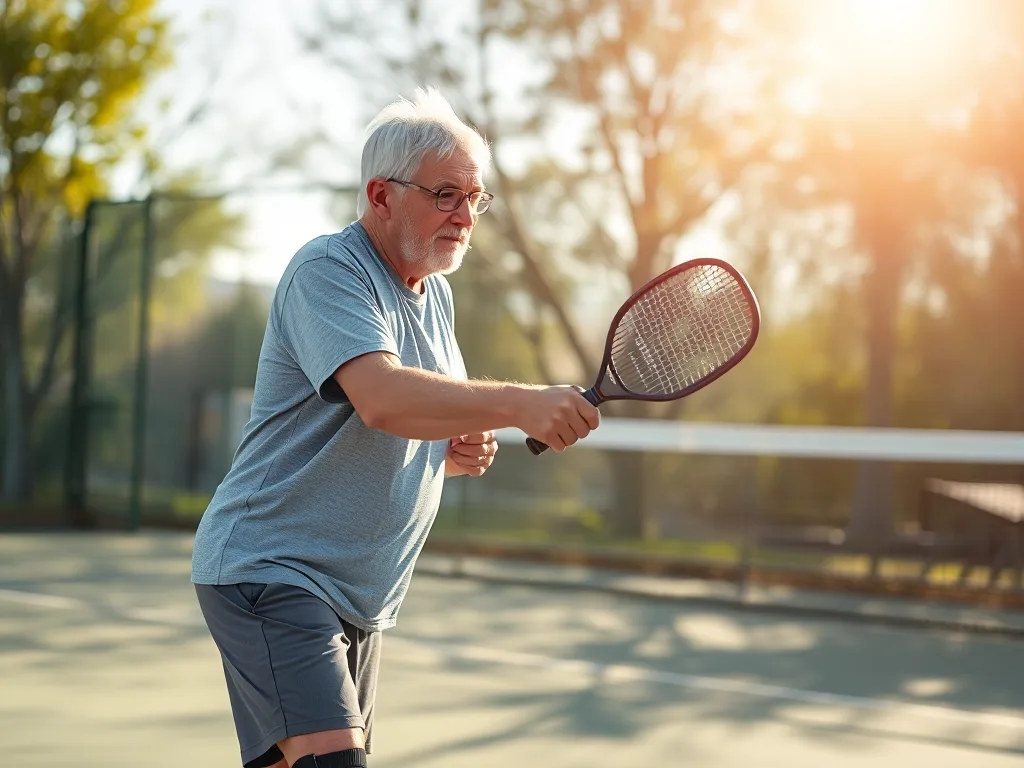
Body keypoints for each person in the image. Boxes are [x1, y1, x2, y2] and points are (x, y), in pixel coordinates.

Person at [190, 86, 601, 768]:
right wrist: (519, 403)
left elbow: (421, 415)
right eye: (446, 195)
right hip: (274, 570)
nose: (465, 215)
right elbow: (382, 398)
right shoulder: (328, 270)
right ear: (381, 196)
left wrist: (457, 448)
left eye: (475, 198)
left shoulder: (436, 295)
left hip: (360, 599)